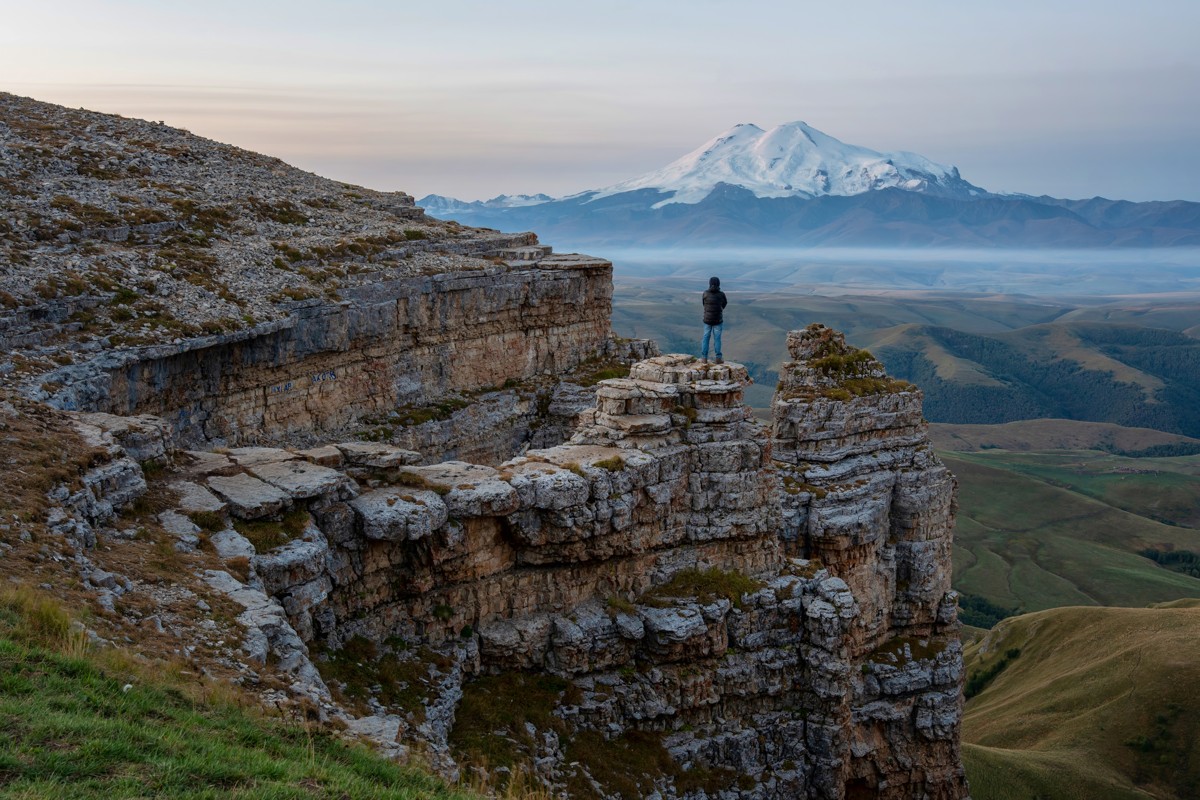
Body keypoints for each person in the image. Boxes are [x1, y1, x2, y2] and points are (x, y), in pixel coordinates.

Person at [700, 276, 727, 364]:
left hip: (707, 320)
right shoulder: (721, 294)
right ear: (719, 284)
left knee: (705, 338)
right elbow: (724, 304)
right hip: (718, 320)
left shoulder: (705, 293)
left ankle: (704, 358)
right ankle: (718, 358)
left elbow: (704, 304)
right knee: (717, 339)